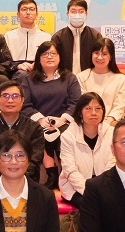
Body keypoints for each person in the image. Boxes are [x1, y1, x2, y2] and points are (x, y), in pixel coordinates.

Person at [17, 42, 81, 187]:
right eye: (45, 54)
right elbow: (25, 105)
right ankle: (51, 174)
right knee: (38, 134)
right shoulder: (29, 80)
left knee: (64, 135)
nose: (49, 56)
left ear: (60, 57)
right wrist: (40, 119)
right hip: (38, 122)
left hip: (64, 122)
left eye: (53, 53)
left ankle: (66, 175)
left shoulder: (70, 78)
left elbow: (76, 103)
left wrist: (62, 119)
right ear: (38, 58)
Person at [0, 80, 46, 186]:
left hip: (26, 184)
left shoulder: (34, 128)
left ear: (22, 100)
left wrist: (17, 180)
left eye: (15, 96)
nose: (10, 100)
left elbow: (34, 160)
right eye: (5, 96)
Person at [58, 92, 115, 206]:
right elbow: (69, 169)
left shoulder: (112, 133)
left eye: (98, 108)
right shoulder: (68, 136)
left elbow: (112, 164)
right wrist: (91, 191)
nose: (94, 113)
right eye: (88, 108)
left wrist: (101, 190)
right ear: (80, 112)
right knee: (91, 205)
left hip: (106, 185)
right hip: (74, 186)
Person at [76, 38, 125, 124]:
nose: (99, 57)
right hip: (86, 122)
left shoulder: (120, 79)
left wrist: (108, 121)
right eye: (96, 53)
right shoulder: (81, 77)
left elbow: (120, 105)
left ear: (111, 57)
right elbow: (82, 104)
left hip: (111, 123)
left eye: (104, 54)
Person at [50, 0, 103, 74]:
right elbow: (53, 60)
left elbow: (100, 58)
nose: (77, 15)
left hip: (89, 77)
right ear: (67, 14)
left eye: (81, 12)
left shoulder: (95, 35)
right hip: (65, 78)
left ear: (86, 13)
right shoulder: (58, 37)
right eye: (73, 11)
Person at [4, 0, 51, 68]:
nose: (28, 12)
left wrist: (37, 65)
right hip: (15, 70)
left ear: (37, 14)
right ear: (18, 14)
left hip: (38, 70)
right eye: (24, 9)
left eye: (32, 9)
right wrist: (17, 66)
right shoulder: (9, 36)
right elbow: (4, 61)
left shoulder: (46, 37)